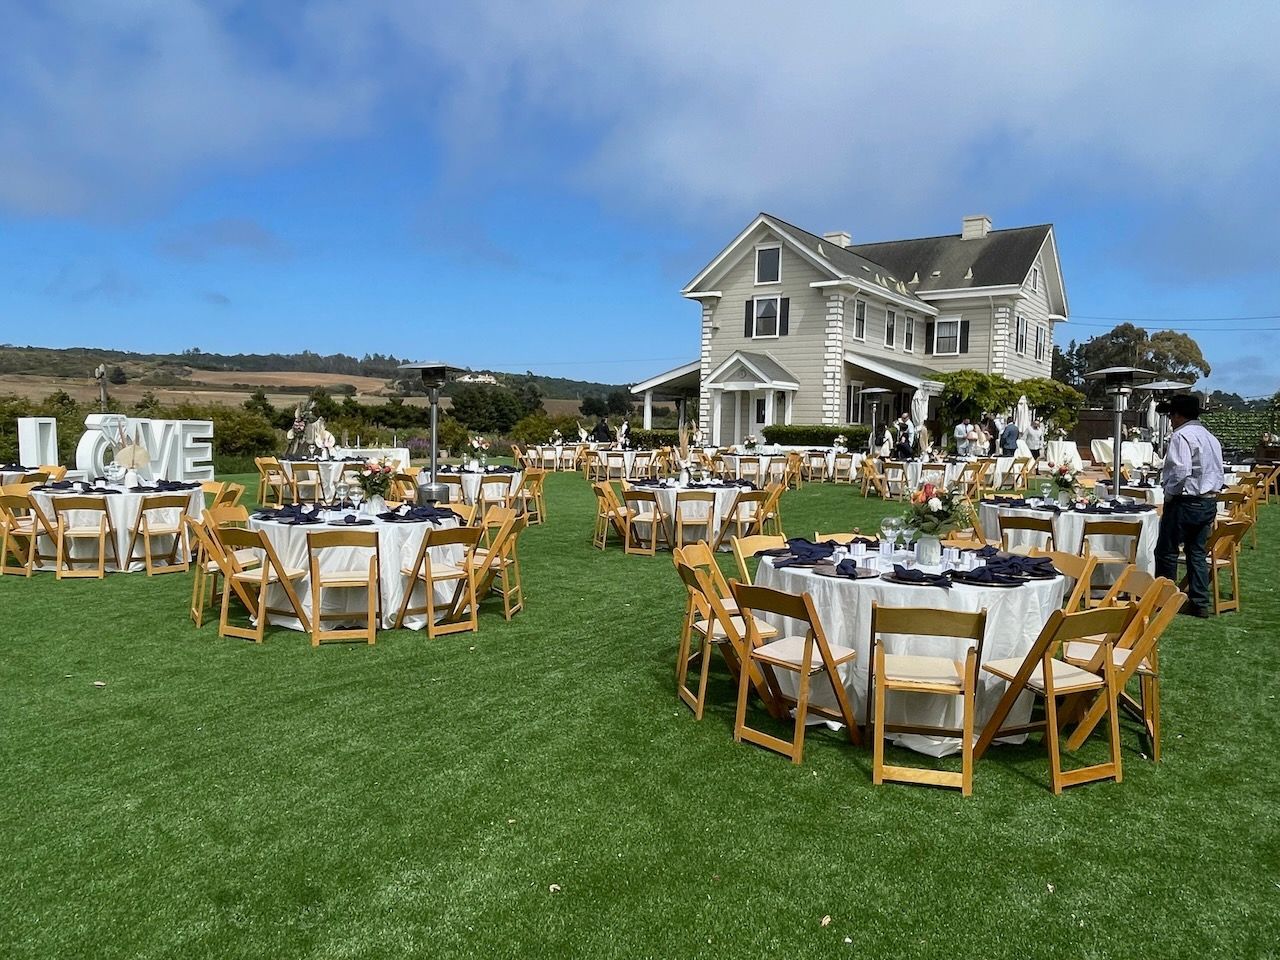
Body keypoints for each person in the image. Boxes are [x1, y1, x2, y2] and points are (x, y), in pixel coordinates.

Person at [1154, 394, 1224, 619]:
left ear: (1177, 415)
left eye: (1171, 415)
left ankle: (1165, 600)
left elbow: (1181, 470)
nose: (1171, 420)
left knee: (1167, 551)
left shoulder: (1181, 436)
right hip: (1208, 500)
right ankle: (1199, 601)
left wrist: (1170, 493)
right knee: (1196, 552)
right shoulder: (1210, 437)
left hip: (1186, 501)